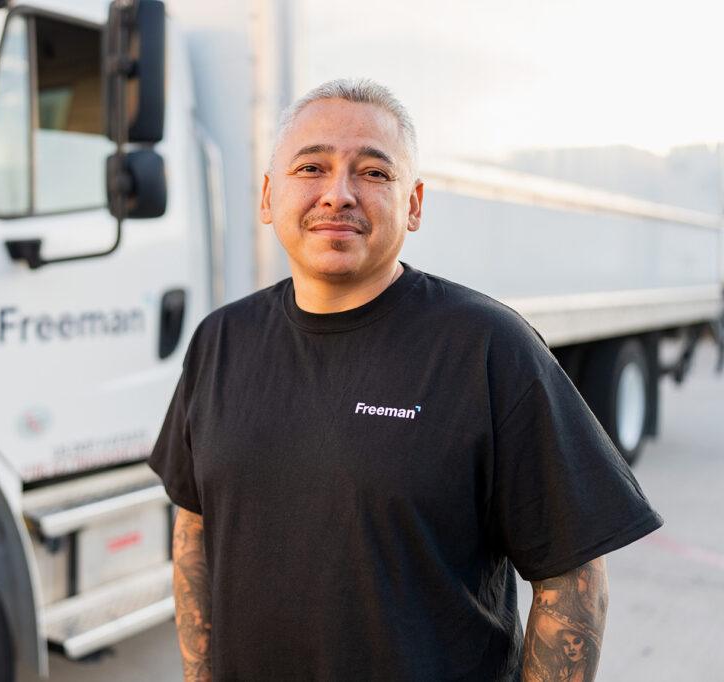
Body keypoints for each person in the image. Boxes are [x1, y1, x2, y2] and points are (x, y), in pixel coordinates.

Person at [149, 78, 663, 681]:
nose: (337, 194)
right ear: (267, 196)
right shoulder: (220, 341)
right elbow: (194, 527)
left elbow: (572, 576)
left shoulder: (487, 346)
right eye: (311, 167)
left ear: (414, 205)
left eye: (373, 173)